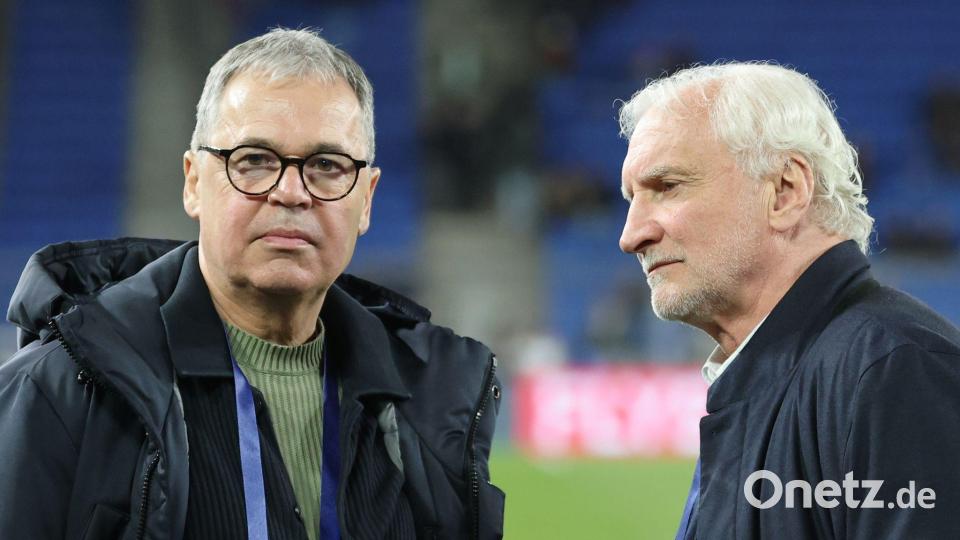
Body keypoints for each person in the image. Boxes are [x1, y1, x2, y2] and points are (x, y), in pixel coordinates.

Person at [0, 28, 504, 540]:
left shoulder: (433, 403)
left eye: (326, 165)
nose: (290, 192)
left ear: (366, 199)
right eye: (255, 161)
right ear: (194, 182)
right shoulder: (59, 389)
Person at [617, 62, 960, 539]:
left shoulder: (891, 371)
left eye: (667, 187)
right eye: (631, 199)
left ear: (784, 191)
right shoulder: (766, 378)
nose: (632, 235)